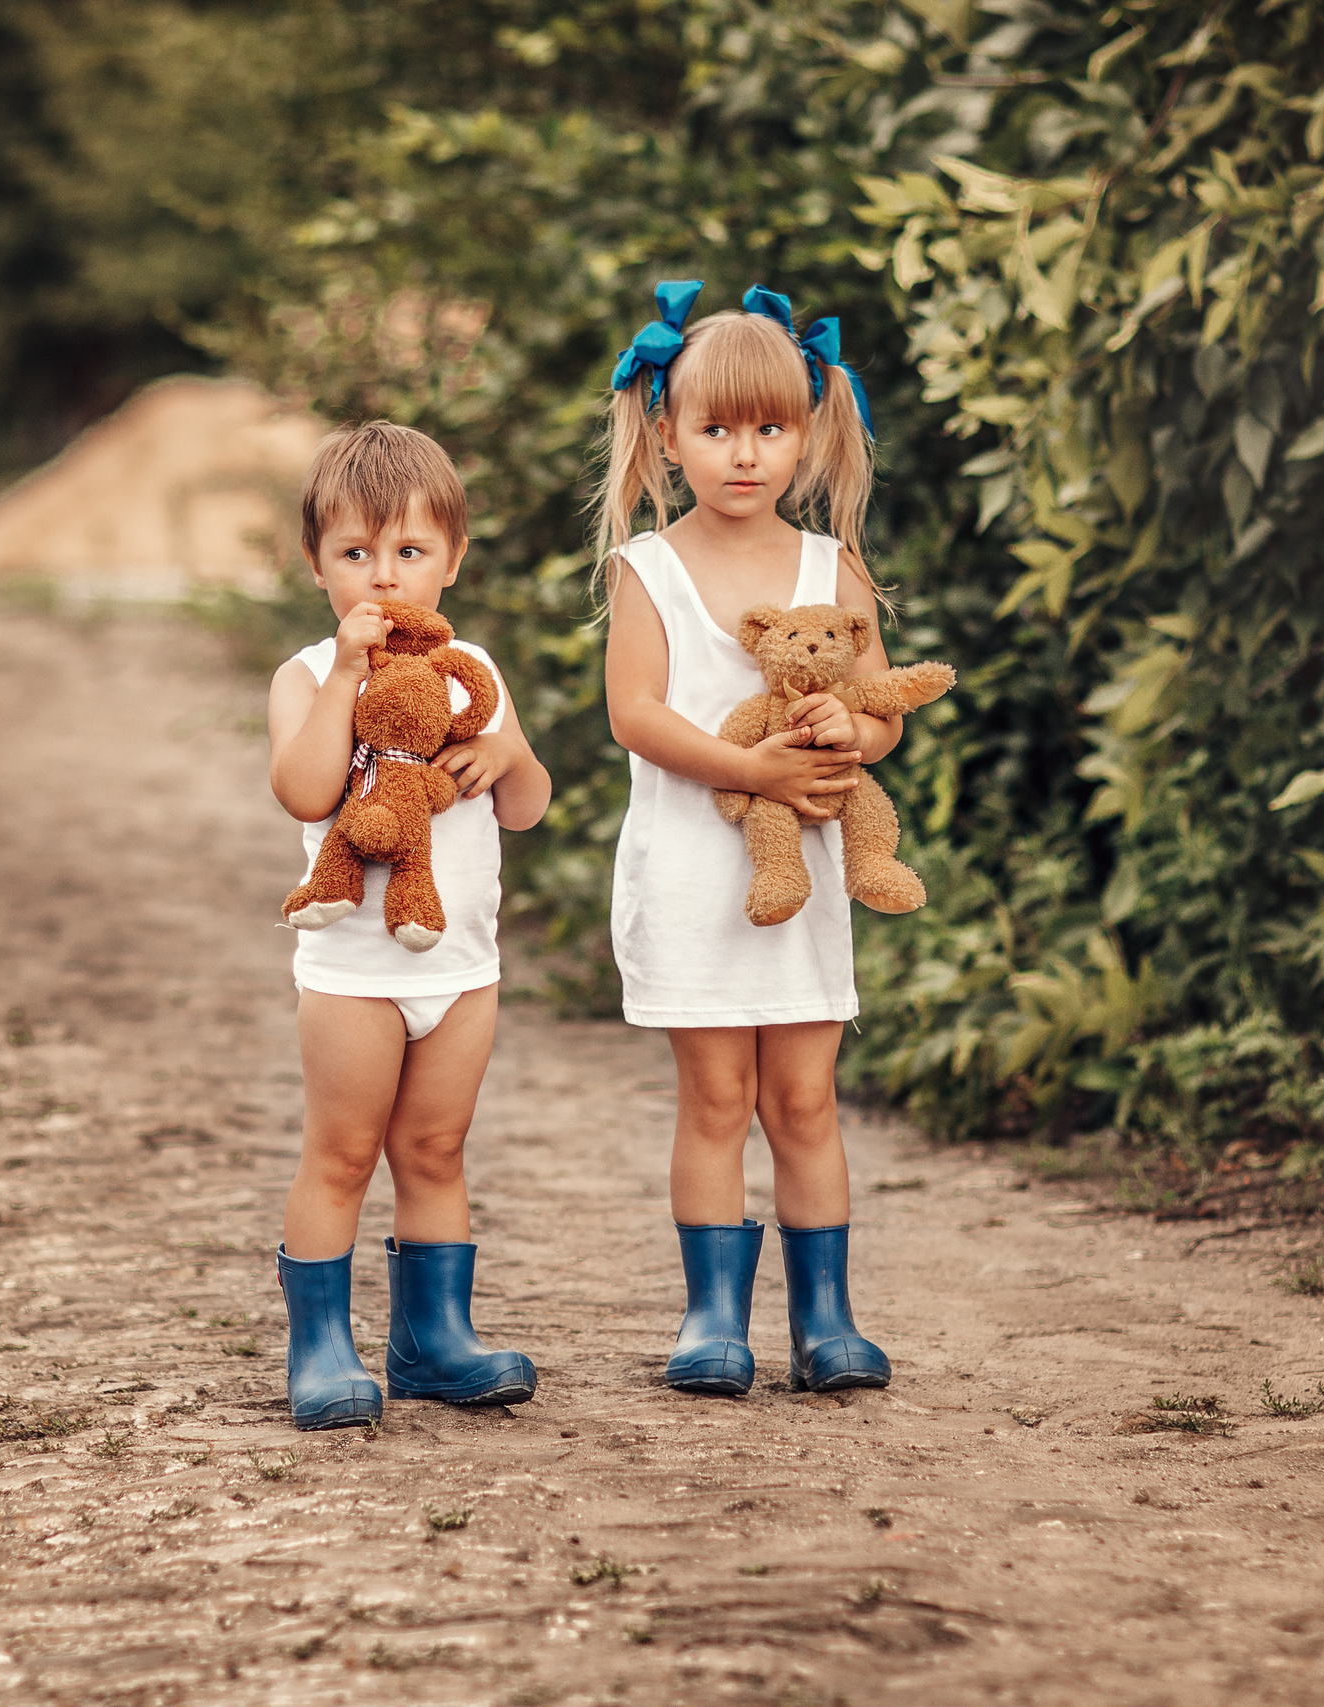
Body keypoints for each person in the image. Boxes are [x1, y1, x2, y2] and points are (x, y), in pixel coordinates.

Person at [597, 281, 908, 1398]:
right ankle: (712, 1317)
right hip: (694, 873)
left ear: (807, 433)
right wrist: (756, 769)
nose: (744, 453)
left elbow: (881, 711)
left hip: (805, 880)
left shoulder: (834, 569)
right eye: (717, 428)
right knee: (718, 1101)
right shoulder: (648, 569)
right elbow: (635, 715)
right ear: (667, 433)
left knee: (806, 1099)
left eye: (770, 428)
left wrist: (853, 732)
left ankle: (826, 1320)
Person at [266, 421, 554, 1430]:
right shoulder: (307, 675)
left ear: (453, 560)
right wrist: (348, 676)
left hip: (461, 968)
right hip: (354, 974)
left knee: (436, 1151)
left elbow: (528, 808)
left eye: (409, 551)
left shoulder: (473, 670)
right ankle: (320, 1346)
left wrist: (508, 755)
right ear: (316, 566)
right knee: (343, 1154)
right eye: (355, 553)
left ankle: (434, 1340)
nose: (383, 576)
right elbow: (306, 792)